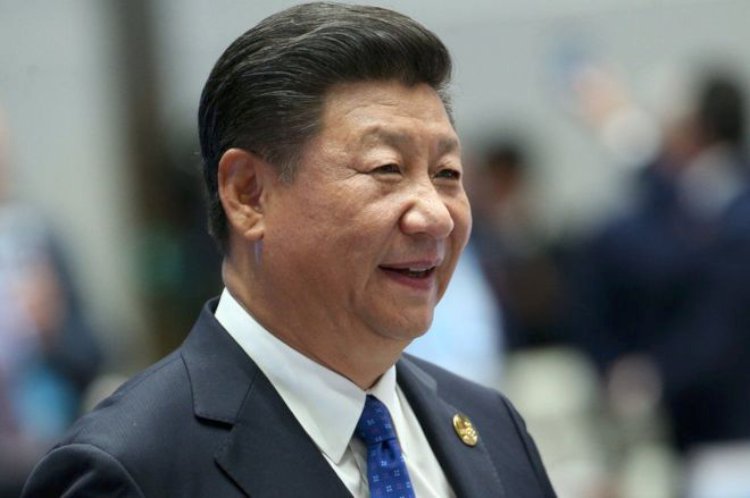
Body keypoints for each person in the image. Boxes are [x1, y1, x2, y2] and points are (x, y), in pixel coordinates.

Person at [22, 3, 556, 497]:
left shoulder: (492, 426)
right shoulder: (132, 470)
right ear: (248, 194)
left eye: (447, 174)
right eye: (388, 168)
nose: (436, 215)